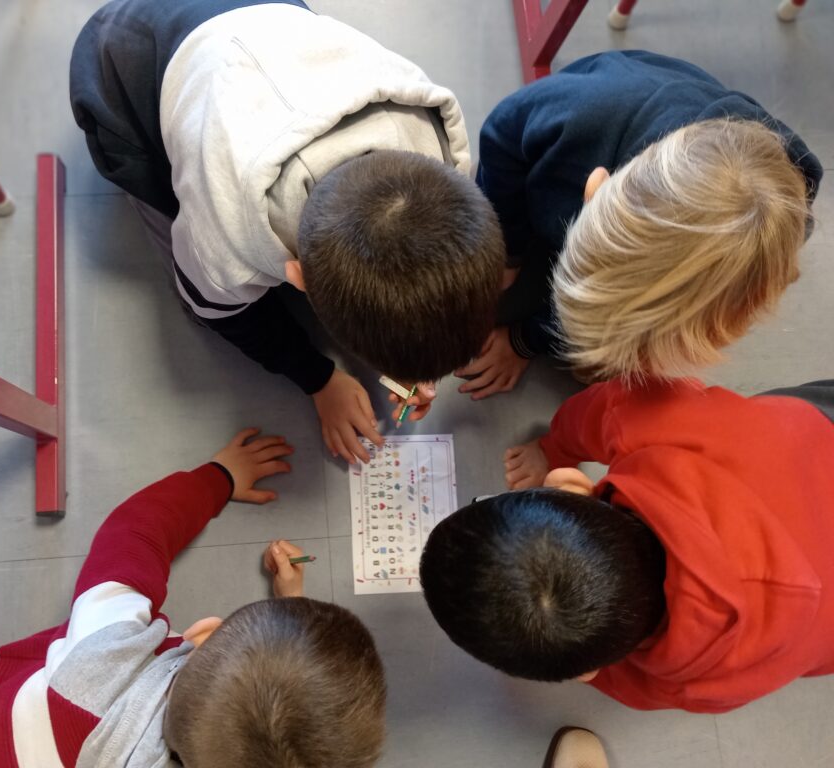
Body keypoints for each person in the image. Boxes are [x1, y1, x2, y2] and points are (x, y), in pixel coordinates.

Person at [69, 0, 505, 464]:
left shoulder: (440, 151)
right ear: (295, 275)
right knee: (186, 257)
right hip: (120, 59)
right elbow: (222, 312)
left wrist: (412, 354)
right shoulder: (227, 245)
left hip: (263, 20)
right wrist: (318, 379)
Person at [0, 429, 388, 767]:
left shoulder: (103, 656)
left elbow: (134, 532)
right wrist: (290, 606)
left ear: (202, 634)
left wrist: (218, 477)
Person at [420, 378, 834, 713]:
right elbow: (611, 404)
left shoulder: (693, 686)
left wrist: (591, 666)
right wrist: (554, 447)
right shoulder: (671, 426)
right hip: (815, 434)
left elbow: (616, 676)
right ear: (570, 485)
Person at [457, 49, 822, 398]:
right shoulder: (583, 112)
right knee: (470, 303)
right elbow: (501, 135)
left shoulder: (770, 234)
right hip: (531, 196)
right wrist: (509, 251)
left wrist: (525, 341)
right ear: (594, 191)